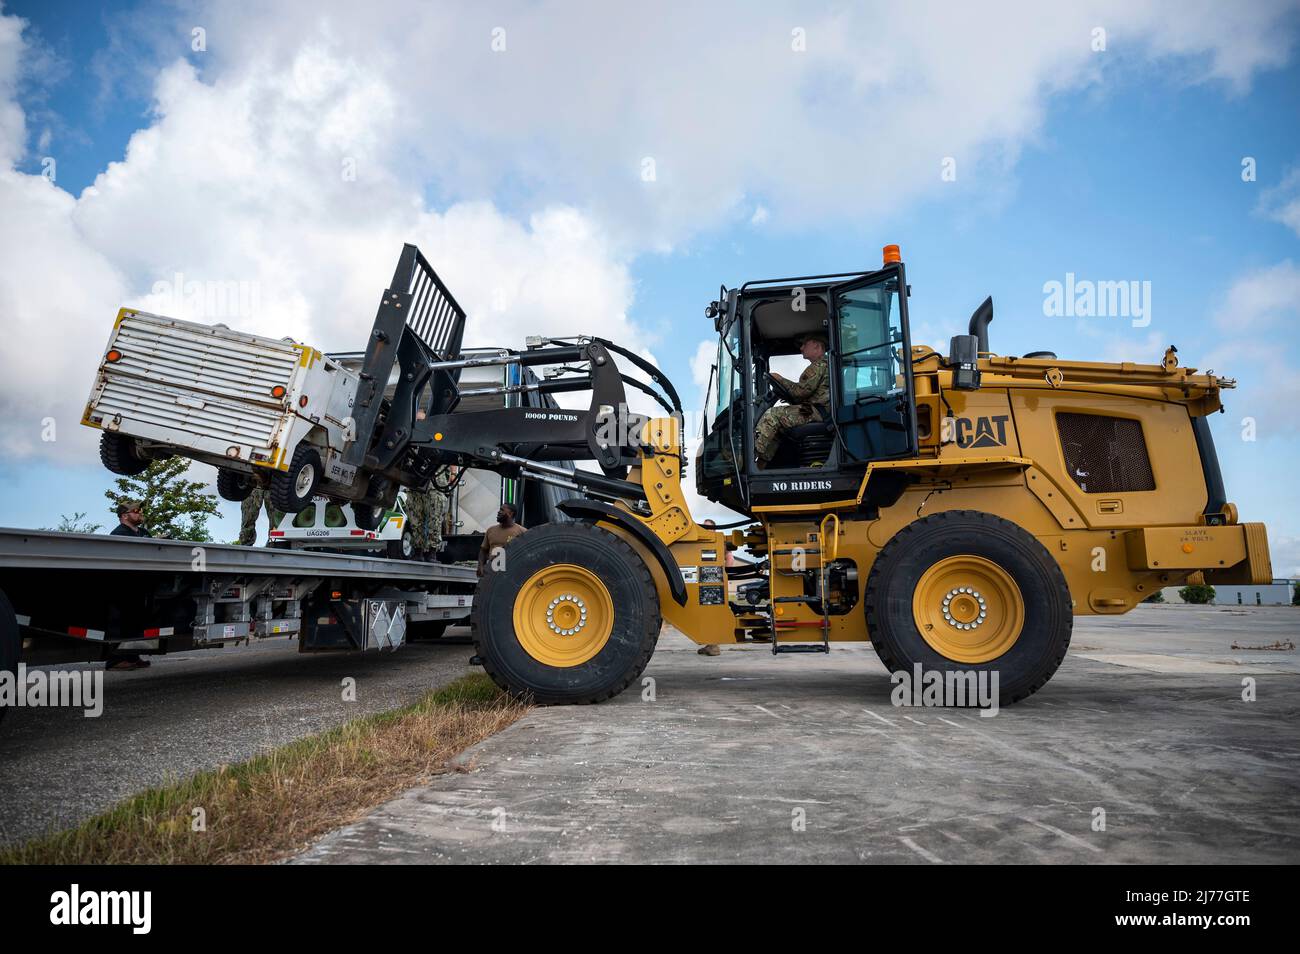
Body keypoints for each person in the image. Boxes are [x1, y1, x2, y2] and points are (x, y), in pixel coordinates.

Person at [754, 333, 830, 468]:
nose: (801, 348)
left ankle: (747, 457)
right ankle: (761, 465)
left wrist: (779, 379)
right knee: (779, 428)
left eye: (804, 344)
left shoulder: (819, 365)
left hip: (817, 412)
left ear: (817, 346)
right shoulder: (824, 365)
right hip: (818, 410)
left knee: (773, 415)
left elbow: (800, 392)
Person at [105, 501, 151, 669]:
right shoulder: (118, 534)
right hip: (123, 586)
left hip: (140, 586)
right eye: (136, 510)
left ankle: (132, 657)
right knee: (120, 624)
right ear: (124, 516)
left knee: (135, 623)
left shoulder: (143, 533)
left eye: (140, 510)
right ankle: (114, 660)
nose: (140, 513)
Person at [405, 468, 452, 561]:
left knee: (434, 519)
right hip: (415, 482)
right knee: (415, 520)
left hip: (435, 483)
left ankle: (432, 552)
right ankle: (418, 551)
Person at [477, 502, 526, 577]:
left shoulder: (522, 532)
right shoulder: (491, 530)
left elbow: (527, 553)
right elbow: (483, 551)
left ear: (510, 513)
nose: (498, 512)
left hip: (512, 573)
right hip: (492, 573)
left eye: (502, 510)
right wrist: (480, 566)